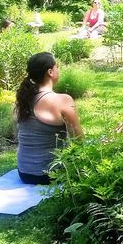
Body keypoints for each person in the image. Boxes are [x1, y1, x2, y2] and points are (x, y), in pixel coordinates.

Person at [14, 52, 83, 185]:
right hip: (50, 175)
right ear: (50, 72)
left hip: (24, 173)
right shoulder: (62, 100)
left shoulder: (23, 99)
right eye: (57, 66)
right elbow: (79, 140)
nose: (59, 69)